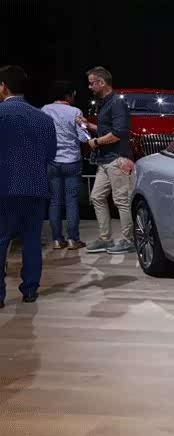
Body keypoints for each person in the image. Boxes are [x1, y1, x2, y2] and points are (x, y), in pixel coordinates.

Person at [0, 65, 58, 308]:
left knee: (1, 240)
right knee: (32, 240)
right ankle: (30, 290)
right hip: (35, 187)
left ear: (3, 86)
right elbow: (51, 154)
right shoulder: (44, 118)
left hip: (4, 187)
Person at [76, 66, 135, 254]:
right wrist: (88, 125)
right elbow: (107, 129)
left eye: (92, 83)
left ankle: (128, 240)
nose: (89, 87)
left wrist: (95, 142)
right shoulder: (106, 103)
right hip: (105, 160)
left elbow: (118, 133)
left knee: (121, 201)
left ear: (102, 83)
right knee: (97, 197)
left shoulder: (117, 103)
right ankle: (105, 239)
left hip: (117, 159)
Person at [41, 81, 91, 250]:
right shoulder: (75, 111)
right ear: (69, 95)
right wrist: (83, 124)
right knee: (71, 202)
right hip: (72, 161)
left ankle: (56, 239)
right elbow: (84, 137)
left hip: (52, 161)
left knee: (55, 201)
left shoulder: (45, 110)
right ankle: (73, 239)